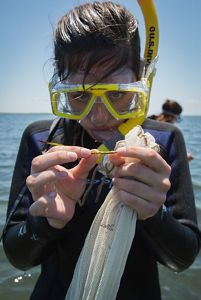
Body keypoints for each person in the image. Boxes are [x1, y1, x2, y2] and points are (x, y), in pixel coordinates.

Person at [2, 2, 200, 300]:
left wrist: (153, 215)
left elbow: (182, 259)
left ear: (142, 82)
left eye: (118, 94)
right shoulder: (41, 138)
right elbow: (18, 257)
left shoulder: (165, 138)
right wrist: (46, 222)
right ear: (60, 88)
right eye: (79, 95)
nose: (99, 117)